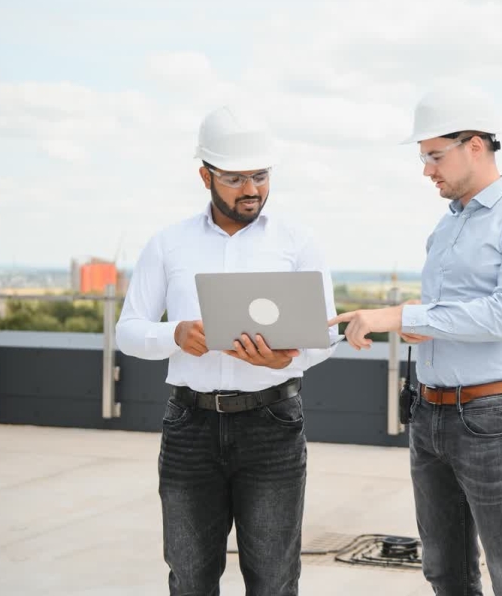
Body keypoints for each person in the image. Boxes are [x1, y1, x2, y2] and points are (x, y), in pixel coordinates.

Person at [329, 87, 502, 595]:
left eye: (435, 155)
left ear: (476, 145)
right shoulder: (445, 229)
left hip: (496, 418)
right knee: (446, 572)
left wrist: (399, 313)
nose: (426, 170)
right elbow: (449, 316)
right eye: (423, 157)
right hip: (430, 416)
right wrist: (413, 324)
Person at [116, 104, 338, 596]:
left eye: (260, 176)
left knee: (274, 580)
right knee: (191, 578)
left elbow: (321, 335)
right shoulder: (168, 244)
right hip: (189, 429)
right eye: (235, 178)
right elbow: (127, 331)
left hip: (272, 425)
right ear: (205, 176)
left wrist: (289, 359)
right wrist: (173, 335)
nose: (251, 189)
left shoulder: (298, 243)